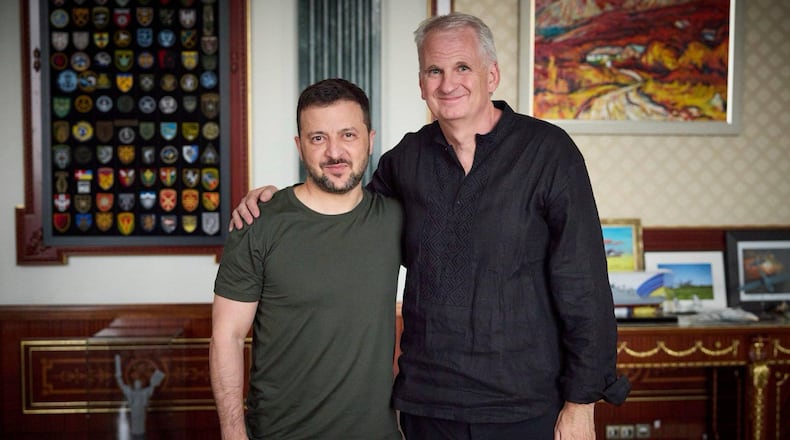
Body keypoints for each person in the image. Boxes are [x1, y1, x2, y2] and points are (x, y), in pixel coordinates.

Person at [231, 13, 630, 439]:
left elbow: (584, 286)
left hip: (526, 406)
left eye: (462, 67)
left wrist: (581, 403)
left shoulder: (549, 154)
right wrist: (278, 202)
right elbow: (345, 209)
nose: (447, 83)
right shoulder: (405, 160)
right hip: (427, 405)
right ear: (421, 83)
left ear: (491, 74)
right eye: (434, 71)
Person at [210, 78, 404, 440]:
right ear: (300, 146)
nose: (334, 152)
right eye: (318, 138)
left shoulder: (396, 219)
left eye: (348, 135)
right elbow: (227, 337)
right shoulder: (257, 223)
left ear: (370, 140)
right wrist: (233, 434)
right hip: (279, 433)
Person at [115, 354, 165, 438]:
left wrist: (155, 378)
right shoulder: (130, 392)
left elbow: (153, 384)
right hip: (133, 428)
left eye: (139, 381)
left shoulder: (144, 393)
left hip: (142, 428)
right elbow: (121, 384)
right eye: (135, 381)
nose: (137, 383)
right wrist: (118, 374)